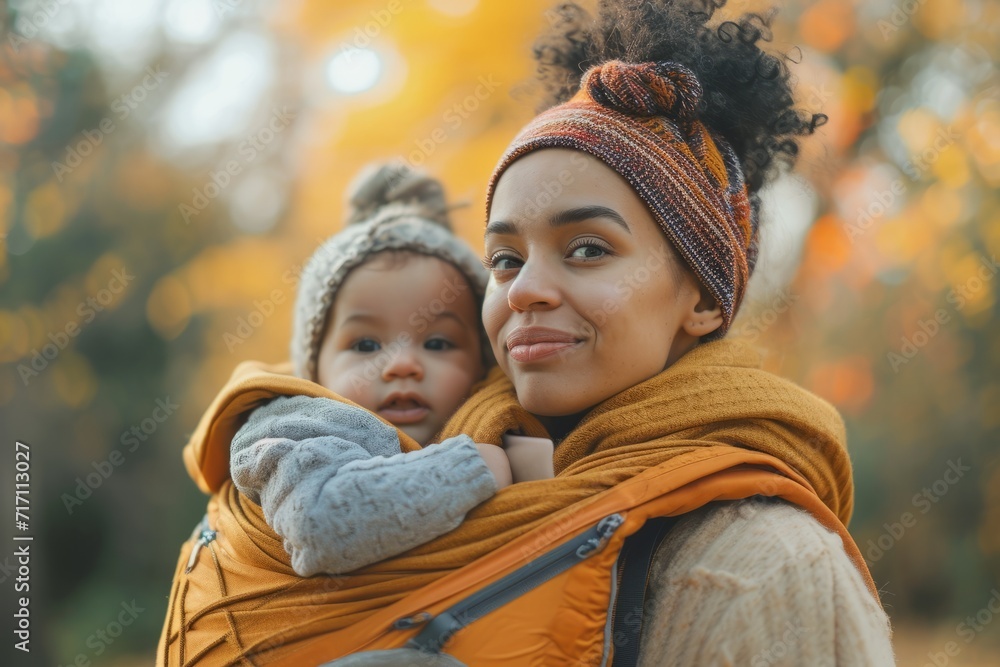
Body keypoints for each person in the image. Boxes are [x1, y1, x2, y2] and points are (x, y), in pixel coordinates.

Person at [158, 1, 895, 663]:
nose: (525, 289)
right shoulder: (420, 453)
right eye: (505, 258)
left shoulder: (762, 567)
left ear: (702, 297)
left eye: (587, 249)